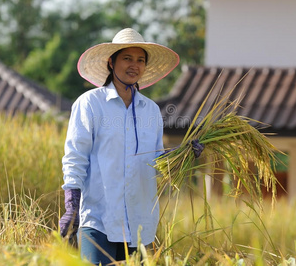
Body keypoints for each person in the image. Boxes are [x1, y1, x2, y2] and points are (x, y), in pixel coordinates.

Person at [59, 28, 202, 265]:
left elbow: (155, 162)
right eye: (127, 58)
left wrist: (182, 155)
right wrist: (71, 205)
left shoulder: (151, 110)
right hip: (99, 218)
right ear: (111, 62)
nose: (134, 65)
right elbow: (75, 156)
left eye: (140, 60)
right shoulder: (90, 104)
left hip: (139, 223)